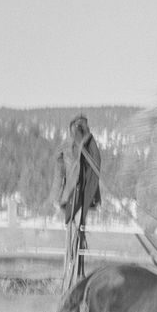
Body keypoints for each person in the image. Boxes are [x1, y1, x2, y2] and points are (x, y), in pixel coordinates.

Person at [54, 114, 102, 286]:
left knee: (77, 240)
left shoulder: (89, 147)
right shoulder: (72, 147)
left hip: (79, 199)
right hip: (73, 199)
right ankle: (72, 276)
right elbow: (61, 172)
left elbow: (91, 173)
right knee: (73, 240)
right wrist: (58, 197)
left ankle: (75, 277)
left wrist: (58, 197)